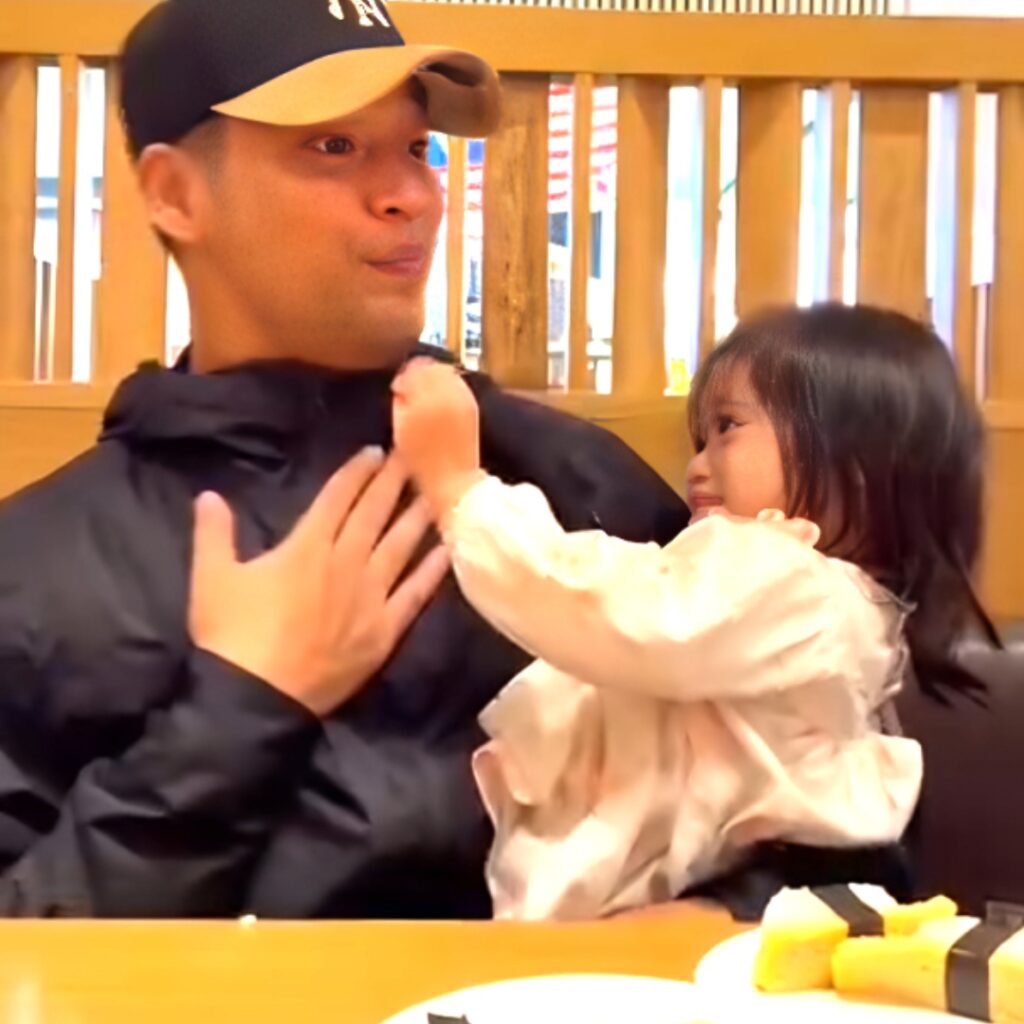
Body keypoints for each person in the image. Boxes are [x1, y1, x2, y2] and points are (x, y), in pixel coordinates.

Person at [0, 0, 687, 917]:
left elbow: (822, 787)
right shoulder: (35, 567)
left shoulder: (573, 483)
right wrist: (240, 706)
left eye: (417, 149)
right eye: (334, 147)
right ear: (175, 194)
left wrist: (726, 916)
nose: (411, 196)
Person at [391, 303, 1000, 920]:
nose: (697, 465)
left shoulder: (801, 587)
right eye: (699, 441)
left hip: (729, 902)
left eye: (728, 428)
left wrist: (459, 488)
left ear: (859, 463)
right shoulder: (792, 593)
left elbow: (615, 606)